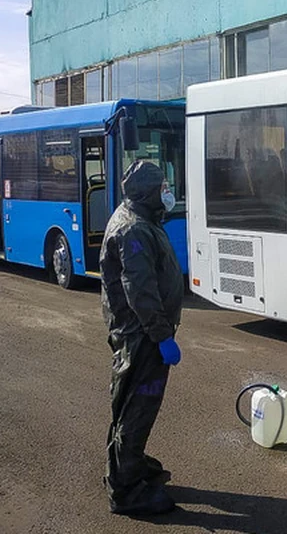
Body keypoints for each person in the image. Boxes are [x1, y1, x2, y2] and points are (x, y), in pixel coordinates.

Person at [101, 160, 185, 516]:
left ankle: (127, 463)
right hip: (142, 337)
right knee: (138, 406)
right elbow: (141, 292)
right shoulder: (133, 228)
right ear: (149, 193)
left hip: (141, 333)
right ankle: (127, 490)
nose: (167, 192)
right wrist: (162, 336)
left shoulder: (143, 219)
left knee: (131, 403)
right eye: (162, 187)